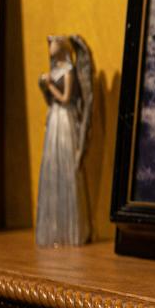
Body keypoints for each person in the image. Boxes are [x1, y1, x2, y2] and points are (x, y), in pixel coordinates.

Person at [36, 35, 93, 247]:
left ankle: (71, 230)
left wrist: (49, 85)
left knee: (66, 164)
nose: (50, 46)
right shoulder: (54, 69)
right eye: (49, 43)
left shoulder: (69, 71)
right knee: (52, 166)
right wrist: (44, 88)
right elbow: (51, 100)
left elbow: (66, 98)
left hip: (64, 118)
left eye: (53, 43)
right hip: (54, 119)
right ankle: (54, 230)